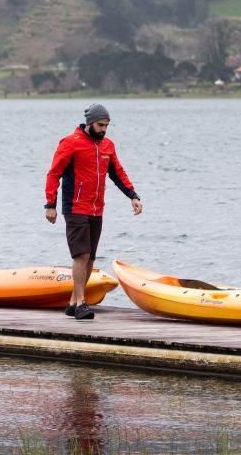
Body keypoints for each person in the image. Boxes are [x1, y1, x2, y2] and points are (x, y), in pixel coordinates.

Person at [45, 103, 143, 320]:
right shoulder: (71, 143)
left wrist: (133, 196)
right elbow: (53, 174)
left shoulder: (108, 146)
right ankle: (81, 303)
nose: (104, 129)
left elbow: (118, 173)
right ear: (90, 123)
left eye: (107, 125)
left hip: (97, 209)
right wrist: (50, 204)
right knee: (81, 255)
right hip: (75, 207)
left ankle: (72, 303)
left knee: (90, 259)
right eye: (100, 125)